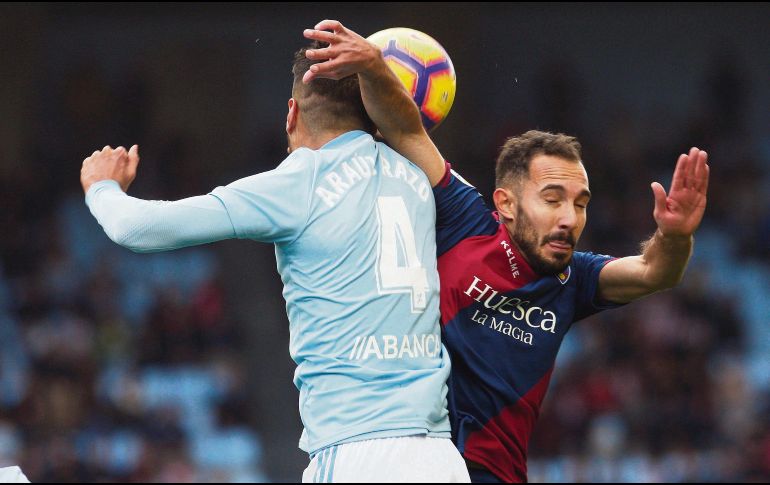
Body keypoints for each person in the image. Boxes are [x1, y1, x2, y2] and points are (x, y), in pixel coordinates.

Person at [301, 20, 710, 483]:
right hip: (416, 460)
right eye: (552, 199)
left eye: (580, 204)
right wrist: (375, 67)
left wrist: (675, 236)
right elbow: (407, 130)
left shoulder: (572, 281)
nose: (569, 219)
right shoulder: (464, 220)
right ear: (506, 204)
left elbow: (657, 271)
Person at [80, 40, 470, 483]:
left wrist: (101, 186)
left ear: (292, 113)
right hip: (441, 457)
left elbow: (137, 228)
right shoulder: (426, 175)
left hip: (358, 452)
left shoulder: (298, 182)